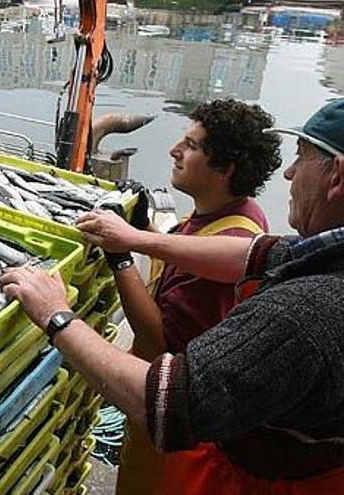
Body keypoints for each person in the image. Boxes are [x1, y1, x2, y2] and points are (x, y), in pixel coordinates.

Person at [0, 94, 344, 494]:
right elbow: (254, 252)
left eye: (301, 160)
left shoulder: (306, 315)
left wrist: (57, 315)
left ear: (337, 177)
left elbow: (162, 403)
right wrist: (139, 239)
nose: (290, 175)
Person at [95, 99, 282, 494]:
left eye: (191, 146)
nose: (174, 150)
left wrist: (119, 258)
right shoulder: (238, 211)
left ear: (224, 170)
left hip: (172, 423)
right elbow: (181, 255)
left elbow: (156, 336)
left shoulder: (232, 239)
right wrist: (143, 226)